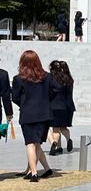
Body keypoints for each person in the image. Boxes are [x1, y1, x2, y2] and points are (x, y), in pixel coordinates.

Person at [11, 51, 55, 182]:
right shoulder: (47, 77)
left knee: (30, 143)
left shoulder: (19, 79)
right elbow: (53, 92)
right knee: (37, 143)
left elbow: (15, 97)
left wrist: (23, 104)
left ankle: (33, 172)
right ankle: (46, 169)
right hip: (44, 113)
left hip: (28, 113)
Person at [48, 60, 76, 155]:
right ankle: (68, 140)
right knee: (63, 127)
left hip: (55, 106)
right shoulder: (69, 80)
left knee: (55, 129)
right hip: (67, 106)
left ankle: (54, 144)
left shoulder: (52, 79)